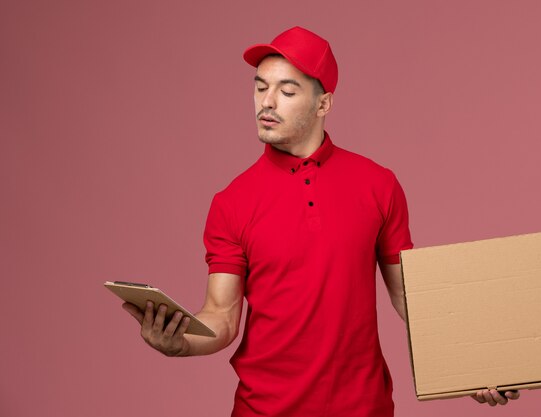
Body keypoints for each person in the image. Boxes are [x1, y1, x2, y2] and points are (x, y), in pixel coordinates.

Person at [122, 26, 520, 416]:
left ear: (324, 104)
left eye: (287, 91)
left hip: (364, 409)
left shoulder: (378, 184)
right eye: (261, 87)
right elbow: (222, 318)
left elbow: (410, 299)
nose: (267, 102)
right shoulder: (231, 202)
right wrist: (182, 341)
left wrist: (478, 364)